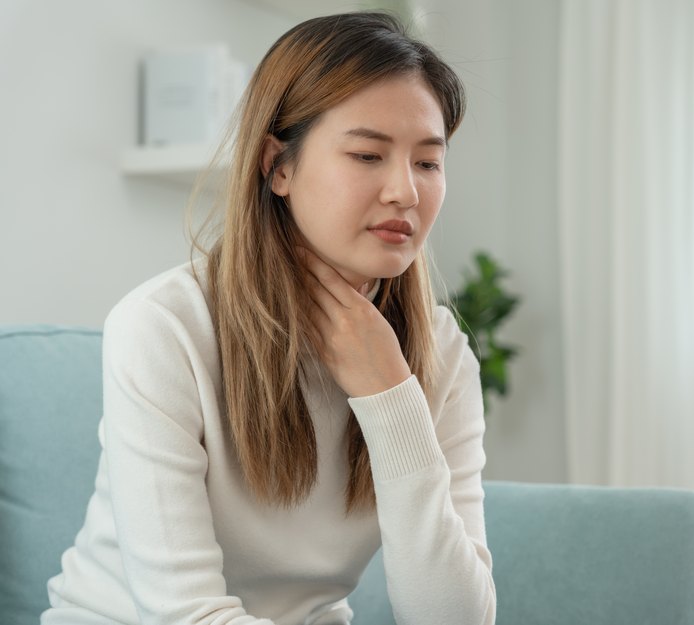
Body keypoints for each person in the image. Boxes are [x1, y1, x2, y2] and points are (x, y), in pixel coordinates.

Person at [41, 12, 495, 625]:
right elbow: (185, 614)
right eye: (367, 155)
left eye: (428, 163)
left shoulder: (440, 353)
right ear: (277, 166)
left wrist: (392, 397)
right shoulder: (163, 329)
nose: (405, 192)